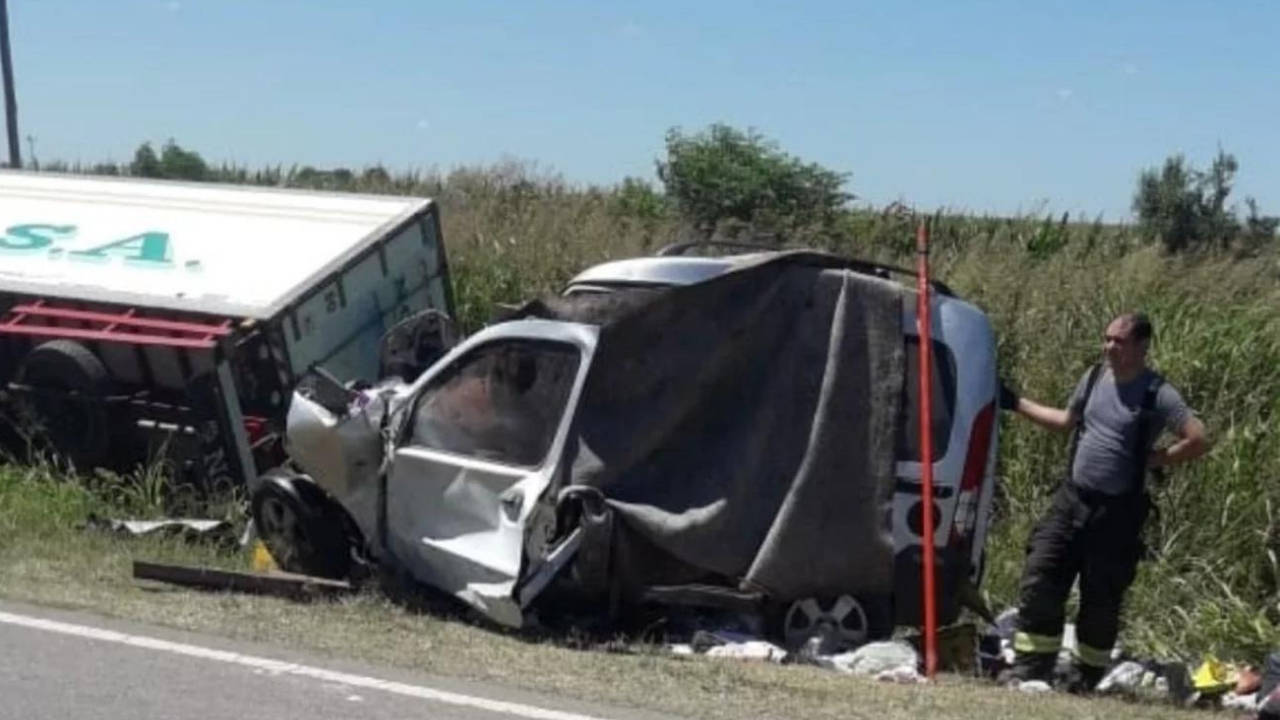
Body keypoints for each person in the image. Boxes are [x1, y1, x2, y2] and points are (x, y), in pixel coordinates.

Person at [998, 312, 1209, 692]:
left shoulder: (1157, 393)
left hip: (1116, 515)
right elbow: (1065, 422)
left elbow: (1197, 438)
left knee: (1101, 600)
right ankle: (1032, 669)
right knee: (1041, 575)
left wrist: (1158, 458)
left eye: (1120, 341)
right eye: (1107, 338)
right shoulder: (1094, 378)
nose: (1110, 346)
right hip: (1071, 501)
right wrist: (1014, 402)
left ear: (1142, 347)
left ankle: (1084, 678)